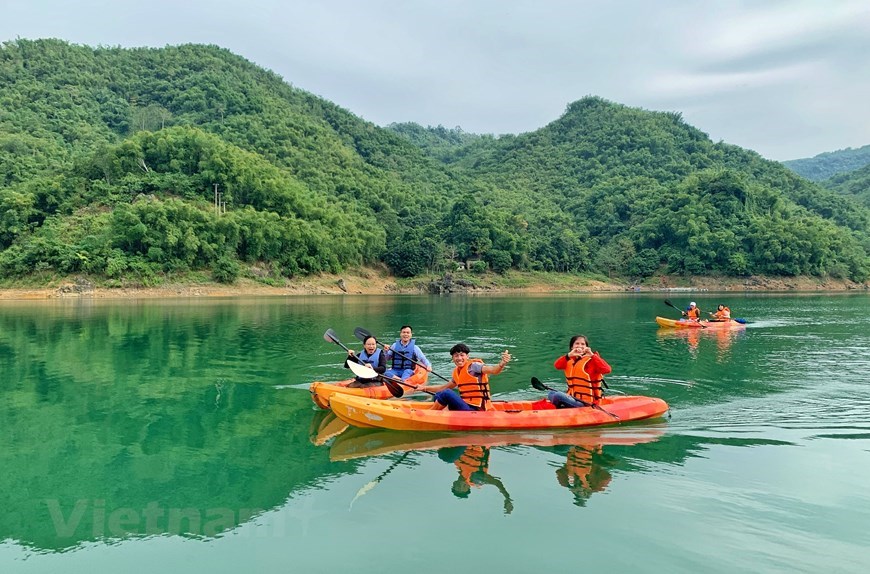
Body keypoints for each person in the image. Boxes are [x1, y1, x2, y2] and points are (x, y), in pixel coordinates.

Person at [421, 343, 512, 411]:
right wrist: (423, 388)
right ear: (452, 358)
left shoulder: (474, 366)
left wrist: (502, 364)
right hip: (466, 405)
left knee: (446, 393)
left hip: (477, 409)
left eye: (462, 355)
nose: (459, 358)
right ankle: (439, 414)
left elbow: (493, 370)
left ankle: (429, 414)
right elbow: (443, 387)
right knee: (438, 394)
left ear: (467, 356)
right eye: (456, 356)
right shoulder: (457, 372)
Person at [437, 445, 513, 514]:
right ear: (468, 487)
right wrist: (507, 497)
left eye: (458, 487)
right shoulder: (475, 479)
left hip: (463, 446)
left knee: (444, 455)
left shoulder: (459, 468)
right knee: (448, 458)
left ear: (454, 483)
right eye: (463, 488)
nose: (461, 485)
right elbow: (497, 483)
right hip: (476, 445)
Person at [550, 335, 612, 408]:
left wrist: (592, 355)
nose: (580, 346)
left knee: (558, 395)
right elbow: (557, 366)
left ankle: (560, 408)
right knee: (551, 393)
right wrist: (568, 355)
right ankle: (563, 406)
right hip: (573, 397)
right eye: (577, 343)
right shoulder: (569, 360)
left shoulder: (592, 361)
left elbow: (607, 369)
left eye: (583, 344)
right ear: (572, 347)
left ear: (586, 347)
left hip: (586, 403)